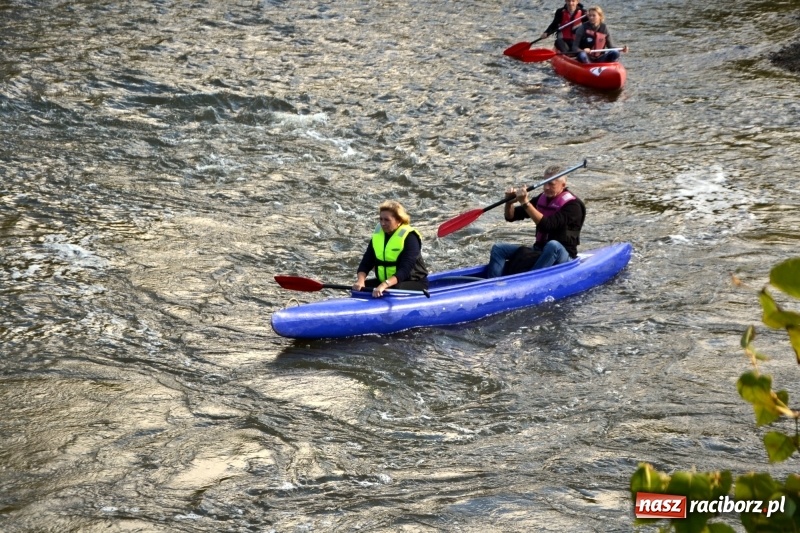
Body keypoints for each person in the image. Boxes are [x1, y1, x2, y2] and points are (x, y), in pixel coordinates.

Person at [486, 166, 586, 278]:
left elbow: (547, 225)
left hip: (564, 256)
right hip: (539, 251)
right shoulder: (541, 199)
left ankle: (529, 280)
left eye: (551, 184)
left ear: (563, 185)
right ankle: (493, 284)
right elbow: (511, 216)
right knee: (499, 248)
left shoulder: (573, 206)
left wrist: (525, 202)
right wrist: (509, 202)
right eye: (544, 183)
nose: (546, 187)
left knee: (553, 245)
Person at [352, 200, 429, 298]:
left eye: (387, 220)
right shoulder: (378, 236)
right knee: (361, 288)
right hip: (386, 283)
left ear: (399, 220)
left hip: (413, 282)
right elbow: (366, 262)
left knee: (393, 289)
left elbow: (405, 270)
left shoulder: (410, 237)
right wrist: (360, 281)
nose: (383, 223)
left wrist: (384, 285)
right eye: (381, 219)